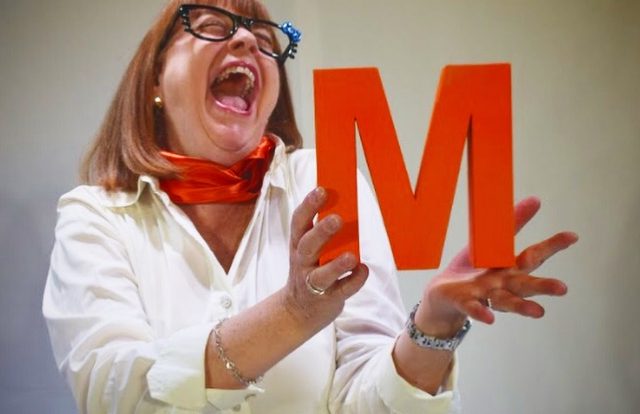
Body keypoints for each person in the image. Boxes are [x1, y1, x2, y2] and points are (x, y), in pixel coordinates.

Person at [42, 1, 578, 413]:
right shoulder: (96, 216)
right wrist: (293, 314)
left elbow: (364, 398)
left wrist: (433, 327)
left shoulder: (323, 183)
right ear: (155, 79)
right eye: (211, 25)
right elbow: (112, 394)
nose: (247, 39)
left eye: (263, 38)